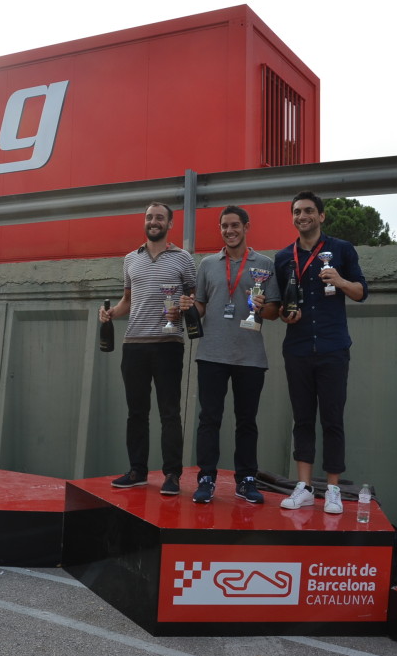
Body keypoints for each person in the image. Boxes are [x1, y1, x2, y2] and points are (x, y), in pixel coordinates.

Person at [273, 191, 367, 513]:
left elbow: (361, 292)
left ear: (322, 216)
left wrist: (339, 279)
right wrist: (287, 315)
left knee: (332, 419)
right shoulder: (284, 257)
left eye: (309, 211)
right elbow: (281, 307)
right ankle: (303, 487)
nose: (303, 216)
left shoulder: (341, 250)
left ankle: (332, 490)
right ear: (293, 217)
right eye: (297, 211)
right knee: (302, 419)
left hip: (333, 347)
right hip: (297, 348)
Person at [179, 206, 280, 504]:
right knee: (209, 419)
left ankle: (246, 480)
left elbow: (273, 312)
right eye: (224, 226)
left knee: (247, 421)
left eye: (235, 225)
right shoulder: (208, 264)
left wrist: (262, 307)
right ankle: (207, 478)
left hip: (250, 357)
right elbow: (200, 306)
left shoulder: (265, 264)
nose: (229, 230)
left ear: (246, 227)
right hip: (211, 354)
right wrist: (187, 307)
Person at [100, 201, 197, 495]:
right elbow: (127, 300)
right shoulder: (131, 259)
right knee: (136, 412)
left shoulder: (184, 259)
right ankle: (138, 471)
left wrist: (182, 309)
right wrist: (111, 313)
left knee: (169, 412)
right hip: (134, 346)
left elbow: (192, 302)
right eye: (149, 217)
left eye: (159, 218)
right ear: (145, 222)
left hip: (169, 344)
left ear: (170, 224)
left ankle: (172, 475)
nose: (153, 221)